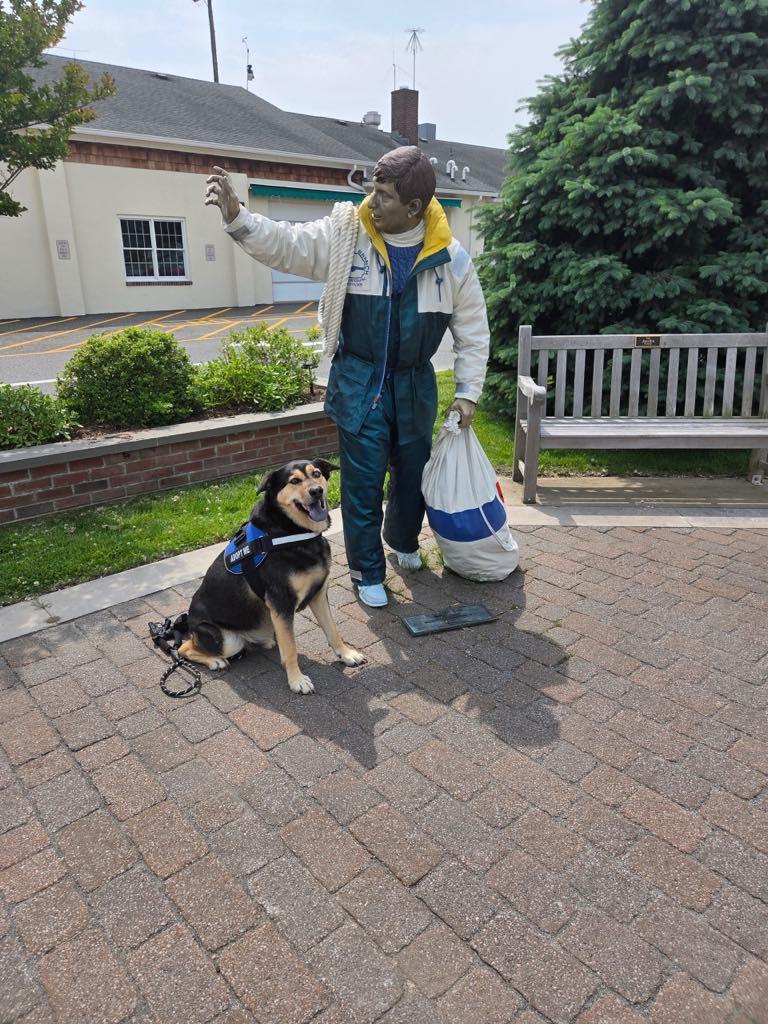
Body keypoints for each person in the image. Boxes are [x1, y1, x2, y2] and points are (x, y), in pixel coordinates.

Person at [205, 146, 489, 608]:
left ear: (414, 207)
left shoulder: (451, 259)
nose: (371, 204)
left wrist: (467, 393)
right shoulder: (346, 237)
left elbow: (474, 329)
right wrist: (240, 218)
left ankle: (402, 542)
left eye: (383, 196)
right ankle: (366, 570)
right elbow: (288, 243)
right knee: (361, 483)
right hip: (359, 384)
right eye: (371, 191)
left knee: (412, 475)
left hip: (414, 385)